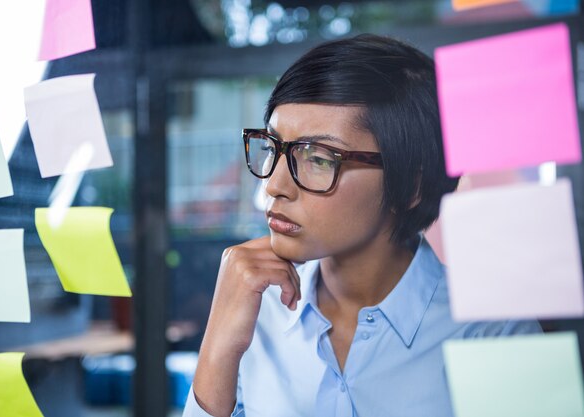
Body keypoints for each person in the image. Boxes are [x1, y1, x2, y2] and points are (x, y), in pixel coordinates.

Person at [183, 34, 541, 417]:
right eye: (273, 147)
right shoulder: (254, 310)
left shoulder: (493, 333)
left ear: (411, 186)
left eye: (319, 159)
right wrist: (217, 344)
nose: (274, 186)